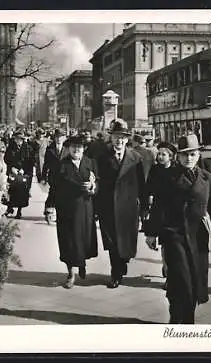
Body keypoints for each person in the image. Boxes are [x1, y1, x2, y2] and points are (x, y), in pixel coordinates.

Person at [143, 133, 211, 324]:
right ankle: (181, 318)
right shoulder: (167, 177)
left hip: (198, 237)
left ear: (198, 155)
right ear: (178, 157)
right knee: (181, 280)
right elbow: (158, 205)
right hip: (174, 235)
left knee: (196, 279)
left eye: (193, 154)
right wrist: (151, 233)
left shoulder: (208, 178)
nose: (189, 159)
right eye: (184, 155)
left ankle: (185, 317)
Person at [95, 119, 147, 288]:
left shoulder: (136, 158)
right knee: (112, 242)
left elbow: (142, 184)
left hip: (128, 207)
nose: (119, 141)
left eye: (123, 137)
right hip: (108, 206)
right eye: (116, 137)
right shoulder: (103, 157)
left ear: (127, 139)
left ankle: (123, 262)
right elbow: (98, 182)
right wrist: (96, 207)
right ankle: (115, 273)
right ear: (111, 138)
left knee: (126, 242)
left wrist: (144, 207)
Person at [54, 135, 99, 289]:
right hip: (67, 209)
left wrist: (93, 188)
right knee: (69, 242)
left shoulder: (90, 163)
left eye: (79, 147)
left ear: (83, 149)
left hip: (85, 208)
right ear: (68, 149)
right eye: (73, 147)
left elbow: (98, 183)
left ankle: (82, 264)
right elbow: (54, 188)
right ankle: (70, 274)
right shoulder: (61, 165)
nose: (76, 150)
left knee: (83, 239)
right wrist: (49, 207)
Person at [144, 141, 178, 289]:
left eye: (163, 154)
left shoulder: (176, 170)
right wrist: (147, 205)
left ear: (170, 157)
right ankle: (166, 267)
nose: (160, 156)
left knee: (171, 244)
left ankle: (170, 275)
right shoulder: (155, 169)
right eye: (159, 154)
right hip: (158, 211)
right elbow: (148, 189)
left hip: (173, 212)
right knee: (163, 243)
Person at [41, 129, 68, 223]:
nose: (59, 139)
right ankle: (48, 211)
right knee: (52, 193)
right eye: (57, 137)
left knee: (62, 195)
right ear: (54, 138)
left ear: (64, 138)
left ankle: (59, 214)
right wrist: (43, 177)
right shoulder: (50, 149)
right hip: (53, 176)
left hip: (64, 177)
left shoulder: (67, 150)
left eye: (61, 137)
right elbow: (46, 164)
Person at [3, 130, 32, 219]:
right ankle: (10, 208)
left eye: (20, 139)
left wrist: (23, 169)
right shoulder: (11, 147)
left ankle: (19, 211)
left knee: (22, 192)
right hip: (13, 171)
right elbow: (6, 158)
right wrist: (11, 167)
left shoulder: (27, 147)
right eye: (17, 139)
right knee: (11, 190)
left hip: (24, 172)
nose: (18, 141)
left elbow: (30, 161)